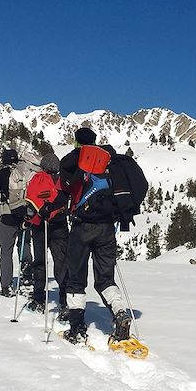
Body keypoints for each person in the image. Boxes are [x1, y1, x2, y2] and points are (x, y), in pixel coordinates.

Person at [59, 127, 132, 344]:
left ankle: (77, 327)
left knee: (76, 278)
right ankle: (119, 312)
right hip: (107, 228)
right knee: (105, 279)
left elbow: (65, 189)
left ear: (76, 142)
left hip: (82, 227)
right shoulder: (108, 163)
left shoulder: (74, 160)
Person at [23, 153, 69, 318]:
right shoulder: (62, 180)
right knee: (61, 262)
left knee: (40, 262)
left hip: (39, 225)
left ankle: (38, 299)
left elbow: (28, 202)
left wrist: (27, 219)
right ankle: (64, 301)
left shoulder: (36, 179)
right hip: (59, 225)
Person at [0, 149, 32, 297]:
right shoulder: (25, 173)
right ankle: (27, 278)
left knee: (6, 252)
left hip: (7, 217)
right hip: (24, 217)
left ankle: (6, 286)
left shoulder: (1, 174)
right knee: (24, 246)